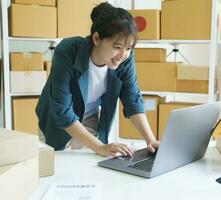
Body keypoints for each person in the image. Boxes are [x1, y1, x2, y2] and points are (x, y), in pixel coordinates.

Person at [36, 2, 159, 157]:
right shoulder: (68, 51)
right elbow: (61, 111)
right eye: (117, 47)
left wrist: (151, 141)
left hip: (90, 121)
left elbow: (132, 99)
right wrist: (100, 147)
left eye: (129, 48)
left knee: (91, 170)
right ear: (96, 38)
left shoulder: (125, 59)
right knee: (60, 170)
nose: (123, 55)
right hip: (57, 124)